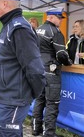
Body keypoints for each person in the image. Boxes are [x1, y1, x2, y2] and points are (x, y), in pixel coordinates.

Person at [0, 0, 46, 137]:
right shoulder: (9, 26)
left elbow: (35, 69)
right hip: (6, 100)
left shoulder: (19, 28)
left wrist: (30, 94)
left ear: (5, 3)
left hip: (13, 100)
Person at [32, 7, 72, 137]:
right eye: (59, 18)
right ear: (51, 17)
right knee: (52, 103)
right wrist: (69, 63)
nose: (60, 21)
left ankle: (35, 129)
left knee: (39, 100)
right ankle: (48, 133)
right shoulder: (55, 31)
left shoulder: (36, 31)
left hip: (37, 70)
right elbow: (61, 55)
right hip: (51, 71)